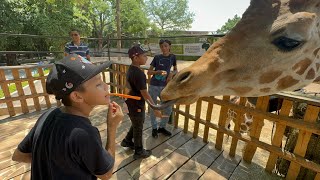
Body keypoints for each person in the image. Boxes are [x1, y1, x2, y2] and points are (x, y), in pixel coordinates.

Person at [12, 54, 123, 180]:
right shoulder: (84, 133)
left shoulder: (47, 116)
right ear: (77, 97)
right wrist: (112, 127)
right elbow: (106, 173)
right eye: (98, 84)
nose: (106, 86)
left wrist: (54, 162)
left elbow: (19, 155)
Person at [120, 45, 162, 159]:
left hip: (131, 102)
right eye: (144, 55)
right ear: (135, 58)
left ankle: (127, 141)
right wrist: (155, 108)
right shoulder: (139, 74)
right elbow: (145, 93)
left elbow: (128, 87)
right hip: (136, 104)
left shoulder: (132, 69)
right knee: (138, 126)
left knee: (136, 123)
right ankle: (138, 151)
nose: (146, 57)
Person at [147, 39, 178, 138]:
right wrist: (158, 72)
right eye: (161, 46)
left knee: (168, 109)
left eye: (165, 46)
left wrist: (172, 74)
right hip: (154, 86)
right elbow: (149, 72)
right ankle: (154, 128)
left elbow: (176, 70)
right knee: (153, 108)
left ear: (169, 46)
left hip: (165, 87)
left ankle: (162, 127)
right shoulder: (157, 57)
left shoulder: (173, 57)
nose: (163, 48)